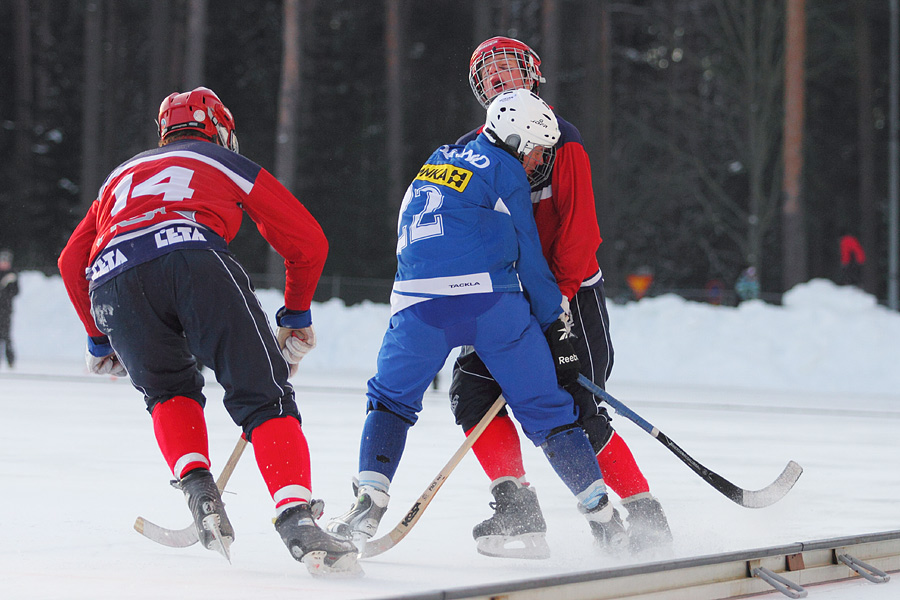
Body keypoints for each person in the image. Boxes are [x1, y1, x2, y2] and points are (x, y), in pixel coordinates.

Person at [57, 87, 359, 576]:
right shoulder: (218, 159)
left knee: (167, 390)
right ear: (217, 127)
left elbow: (72, 260)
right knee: (264, 397)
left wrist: (98, 337)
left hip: (111, 276)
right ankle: (297, 518)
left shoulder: (121, 174)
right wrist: (296, 316)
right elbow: (307, 240)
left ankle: (199, 489)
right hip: (193, 256)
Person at [326, 89, 622, 556]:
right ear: (516, 139)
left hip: (417, 305)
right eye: (538, 150)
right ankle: (605, 520)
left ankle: (370, 498)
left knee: (389, 401)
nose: (539, 161)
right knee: (548, 411)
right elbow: (527, 256)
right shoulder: (505, 171)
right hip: (489, 304)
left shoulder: (438, 158)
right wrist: (557, 328)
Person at [449, 37, 672, 558]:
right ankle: (516, 508)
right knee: (472, 393)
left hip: (570, 298)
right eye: (490, 75)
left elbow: (579, 233)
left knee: (575, 403)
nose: (500, 80)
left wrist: (561, 304)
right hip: (506, 301)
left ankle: (643, 512)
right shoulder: (470, 148)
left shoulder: (561, 139)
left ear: (532, 76)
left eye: (509, 70)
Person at [0, 249, 19, 369]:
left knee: (6, 335)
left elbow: (16, 291)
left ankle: (10, 359)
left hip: (6, 310)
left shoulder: (12, 275)